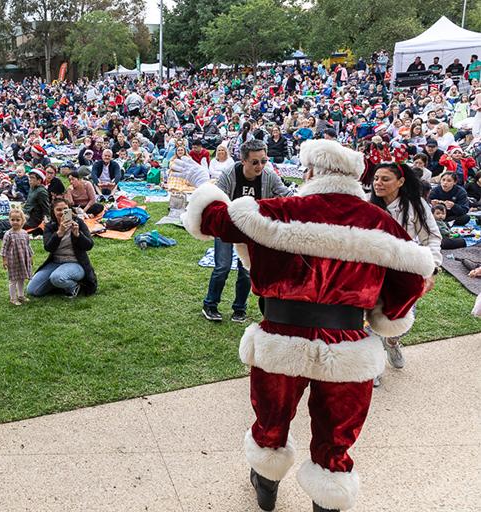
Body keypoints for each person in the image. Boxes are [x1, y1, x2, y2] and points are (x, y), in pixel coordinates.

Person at [183, 139, 434, 512]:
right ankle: (326, 498)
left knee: (271, 418)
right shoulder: (378, 222)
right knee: (337, 430)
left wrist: (205, 183)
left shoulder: (280, 211)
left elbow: (212, 219)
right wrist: (388, 314)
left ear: (311, 171)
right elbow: (415, 273)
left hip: (281, 338)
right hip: (348, 344)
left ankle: (266, 480)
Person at [201, 140, 292, 323]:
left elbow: (285, 194)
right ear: (243, 161)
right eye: (255, 162)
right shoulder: (230, 174)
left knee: (247, 270)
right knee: (223, 266)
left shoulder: (268, 175)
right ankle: (210, 304)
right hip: (228, 226)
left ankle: (239, 309)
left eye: (263, 161)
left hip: (253, 229)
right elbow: (216, 199)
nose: (260, 166)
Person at [370, 162, 442, 387]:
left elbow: (431, 238)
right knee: (368, 319)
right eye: (376, 179)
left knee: (400, 318)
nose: (378, 183)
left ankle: (392, 342)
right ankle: (374, 363)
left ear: (400, 182)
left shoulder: (416, 205)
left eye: (385, 179)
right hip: (373, 271)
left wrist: (431, 270)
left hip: (405, 272)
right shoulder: (367, 204)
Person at [28, 199, 97, 298]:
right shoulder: (50, 226)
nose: (62, 212)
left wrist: (78, 235)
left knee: (57, 278)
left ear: (69, 210)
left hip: (76, 262)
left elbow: (89, 245)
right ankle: (61, 284)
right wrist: (59, 233)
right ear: (53, 211)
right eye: (58, 210)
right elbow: (48, 248)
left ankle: (74, 286)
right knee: (33, 290)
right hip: (56, 262)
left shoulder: (78, 223)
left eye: (65, 209)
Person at [0, 208, 33, 305]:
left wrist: (30, 257)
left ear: (22, 221)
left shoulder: (25, 233)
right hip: (13, 260)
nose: (15, 222)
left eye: (17, 220)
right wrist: (4, 260)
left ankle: (21, 295)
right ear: (9, 220)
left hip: (23, 259)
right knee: (13, 279)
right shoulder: (8, 234)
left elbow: (28, 246)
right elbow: (4, 248)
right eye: (12, 219)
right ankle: (13, 298)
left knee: (21, 278)